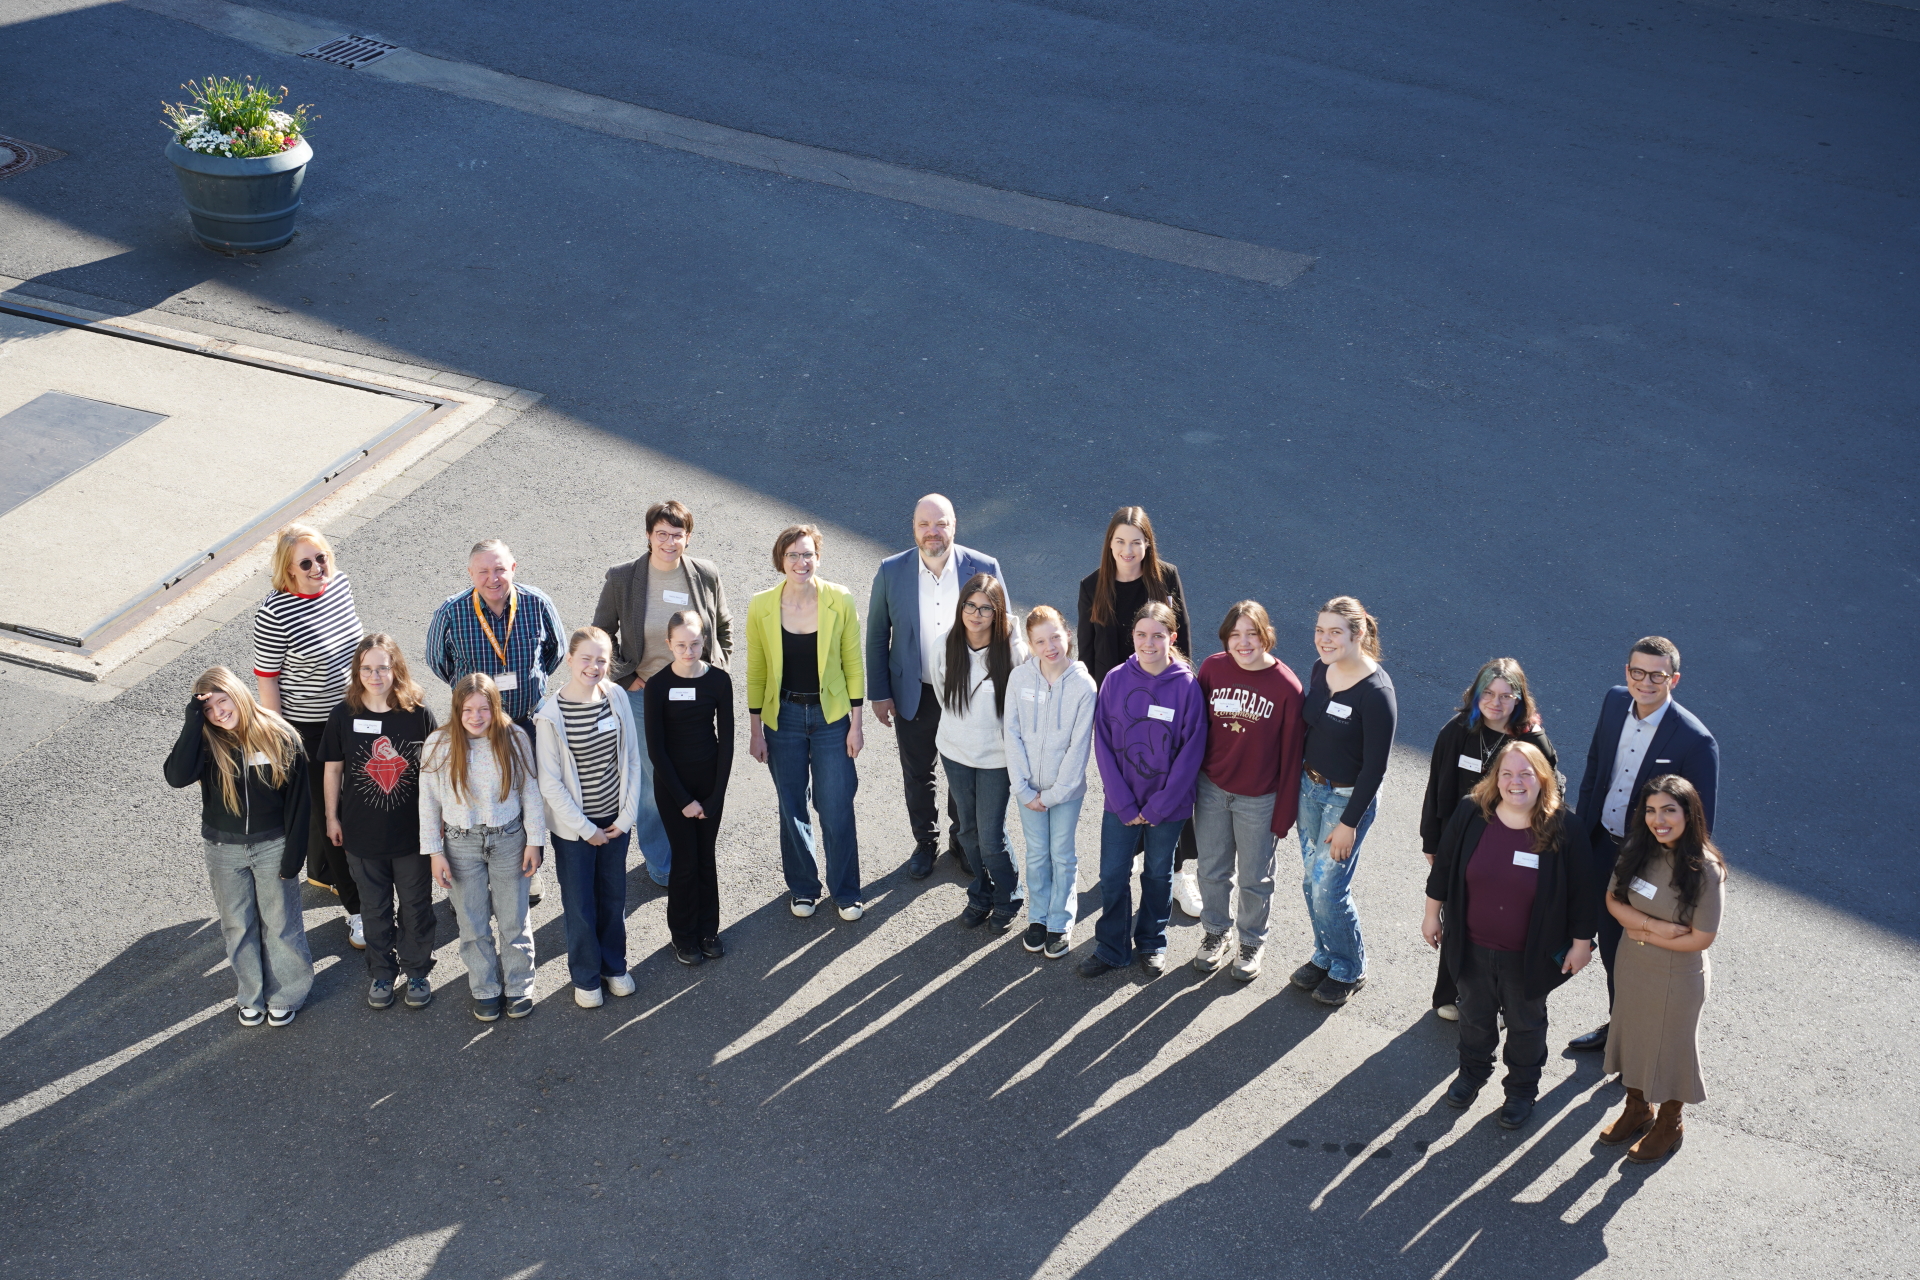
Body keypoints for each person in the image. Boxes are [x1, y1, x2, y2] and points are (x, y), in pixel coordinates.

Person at [1422, 741, 1596, 1130]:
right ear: (1494, 779)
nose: (1515, 782)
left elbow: (1585, 893)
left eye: (1525, 774)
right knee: (1474, 1018)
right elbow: (1444, 869)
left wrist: (1582, 945)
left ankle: (1520, 1091)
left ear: (1542, 779)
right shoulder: (1471, 813)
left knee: (1525, 1026)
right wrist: (1432, 915)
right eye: (1506, 774)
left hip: (1529, 955)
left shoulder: (1565, 826)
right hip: (1471, 945)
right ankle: (1471, 1074)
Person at [1567, 636, 1719, 1052]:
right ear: (1626, 672)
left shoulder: (1695, 741)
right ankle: (1621, 1027)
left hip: (1647, 863)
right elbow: (1596, 765)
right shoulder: (1615, 702)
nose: (1646, 682)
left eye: (1657, 675)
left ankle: (1635, 1042)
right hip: (1600, 844)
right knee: (1605, 939)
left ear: (1675, 679)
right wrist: (1581, 830)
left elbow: (1700, 821)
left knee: (1637, 951)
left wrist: (1671, 875)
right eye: (1638, 672)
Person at [591, 500, 733, 889]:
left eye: (677, 534)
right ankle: (662, 861)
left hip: (695, 691)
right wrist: (627, 676)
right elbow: (601, 634)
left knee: (693, 769)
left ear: (688, 537)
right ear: (649, 535)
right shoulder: (624, 579)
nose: (669, 542)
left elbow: (722, 625)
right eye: (661, 534)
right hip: (645, 694)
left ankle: (690, 846)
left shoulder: (705, 574)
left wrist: (716, 670)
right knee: (654, 781)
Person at [866, 494, 1007, 880]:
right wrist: (879, 693)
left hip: (968, 691)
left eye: (941, 523)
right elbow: (878, 635)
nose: (933, 532)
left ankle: (961, 840)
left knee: (963, 769)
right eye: (925, 524)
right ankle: (925, 842)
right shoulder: (892, 570)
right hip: (916, 690)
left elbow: (1004, 632)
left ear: (954, 526)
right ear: (914, 527)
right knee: (918, 773)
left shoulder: (984, 566)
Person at [165, 666, 313, 1027]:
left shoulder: (280, 735)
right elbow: (176, 777)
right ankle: (251, 994)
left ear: (237, 693)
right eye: (209, 709)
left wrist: (294, 857)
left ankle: (287, 994)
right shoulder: (204, 740)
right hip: (223, 849)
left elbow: (299, 802)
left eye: (222, 701)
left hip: (272, 846)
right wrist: (191, 721)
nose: (219, 713)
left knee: (280, 924)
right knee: (237, 925)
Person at [1075, 506, 1202, 916]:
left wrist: (1187, 695)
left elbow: (1182, 643)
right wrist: (1097, 711)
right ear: (1108, 544)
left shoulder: (1165, 578)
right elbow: (1089, 652)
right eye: (1119, 541)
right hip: (1121, 707)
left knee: (1173, 785)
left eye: (1136, 542)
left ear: (1148, 544)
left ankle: (1182, 872)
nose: (1127, 550)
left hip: (1165, 702)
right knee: (1126, 785)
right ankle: (1129, 854)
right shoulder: (1092, 586)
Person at [425, 539, 566, 903]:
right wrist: (470, 699)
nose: (493, 578)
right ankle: (474, 872)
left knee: (529, 797)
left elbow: (555, 652)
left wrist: (529, 685)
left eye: (500, 569)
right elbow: (437, 660)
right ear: (470, 573)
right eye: (483, 571)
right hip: (474, 727)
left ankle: (528, 868)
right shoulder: (452, 612)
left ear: (513, 568)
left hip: (526, 721)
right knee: (480, 796)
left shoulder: (537, 603)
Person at [1597, 775, 1727, 1163]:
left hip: (1678, 976)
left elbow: (1702, 938)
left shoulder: (1706, 870)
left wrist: (1640, 932)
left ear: (1689, 813)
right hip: (1633, 964)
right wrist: (1653, 929)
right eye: (1651, 810)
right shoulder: (1637, 849)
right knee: (1633, 1036)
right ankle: (1637, 1109)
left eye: (1669, 810)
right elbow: (1612, 901)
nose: (1659, 820)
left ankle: (1670, 1124)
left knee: (1671, 1050)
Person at [1419, 658, 1557, 1021]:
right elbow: (1435, 790)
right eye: (1488, 694)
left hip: (1511, 844)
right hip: (1458, 841)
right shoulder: (1457, 731)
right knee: (1456, 916)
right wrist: (1431, 842)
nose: (1495, 703)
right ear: (1476, 695)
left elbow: (1550, 795)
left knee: (1502, 919)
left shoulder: (1531, 740)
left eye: (1505, 696)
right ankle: (1451, 994)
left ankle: (1497, 997)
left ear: (1519, 699)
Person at [1079, 602, 1206, 979]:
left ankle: (1151, 942)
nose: (1148, 643)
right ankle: (1112, 947)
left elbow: (1192, 751)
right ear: (1132, 636)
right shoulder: (1116, 679)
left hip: (1168, 807)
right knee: (1114, 873)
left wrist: (1158, 807)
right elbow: (1102, 741)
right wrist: (1122, 800)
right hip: (1121, 803)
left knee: (1158, 874)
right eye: (1141, 635)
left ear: (1173, 638)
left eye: (1157, 635)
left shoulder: (1186, 686)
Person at [251, 524, 364, 948]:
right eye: (306, 563)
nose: (319, 568)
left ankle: (322, 871)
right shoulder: (275, 613)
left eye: (322, 558)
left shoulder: (340, 586)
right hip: (310, 730)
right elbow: (268, 681)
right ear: (288, 570)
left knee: (361, 802)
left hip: (354, 716)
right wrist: (284, 742)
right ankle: (357, 911)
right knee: (332, 815)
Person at [747, 525, 868, 921]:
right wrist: (755, 731)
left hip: (831, 717)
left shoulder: (839, 598)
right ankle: (803, 887)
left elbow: (853, 663)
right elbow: (757, 669)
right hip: (783, 718)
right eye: (792, 556)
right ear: (781, 560)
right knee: (791, 805)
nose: (801, 562)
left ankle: (846, 892)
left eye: (807, 554)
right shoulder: (762, 605)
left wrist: (856, 724)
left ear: (818, 557)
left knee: (835, 806)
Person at [319, 635, 439, 1012]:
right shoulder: (343, 715)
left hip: (412, 836)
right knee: (374, 908)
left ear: (396, 669)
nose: (375, 675)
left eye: (383, 667)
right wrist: (331, 816)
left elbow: (436, 772)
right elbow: (333, 769)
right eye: (367, 668)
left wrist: (437, 827)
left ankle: (418, 971)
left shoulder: (417, 713)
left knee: (416, 906)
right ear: (358, 671)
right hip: (362, 835)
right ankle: (382, 973)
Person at [421, 673, 547, 1023]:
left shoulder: (515, 738)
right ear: (456, 710)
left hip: (509, 839)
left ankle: (519, 985)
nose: (476, 717)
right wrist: (434, 851)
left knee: (513, 919)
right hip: (461, 845)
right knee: (472, 922)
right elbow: (428, 802)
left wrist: (535, 841)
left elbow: (531, 793)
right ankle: (485, 987)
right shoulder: (439, 744)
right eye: (467, 710)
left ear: (495, 707)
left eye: (483, 709)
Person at [1191, 602, 1305, 984]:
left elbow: (1292, 756)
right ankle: (1215, 931)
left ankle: (1252, 941)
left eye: (1251, 634)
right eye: (1235, 634)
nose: (1243, 642)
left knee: (1256, 877)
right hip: (1212, 788)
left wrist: (1284, 813)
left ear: (1265, 636)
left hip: (1259, 798)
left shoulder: (1286, 687)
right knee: (1211, 869)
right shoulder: (1211, 668)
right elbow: (1195, 731)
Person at [1293, 596, 1397, 1008]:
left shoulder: (1377, 693)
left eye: (1335, 631)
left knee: (1329, 889)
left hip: (1346, 799)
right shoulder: (1322, 670)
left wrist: (1350, 823)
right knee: (1309, 881)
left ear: (1359, 634)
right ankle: (1326, 954)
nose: (1324, 639)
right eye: (1320, 630)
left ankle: (1351, 966)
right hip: (1310, 789)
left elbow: (1376, 768)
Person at [533, 628, 642, 1009]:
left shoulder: (616, 698)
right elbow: (549, 782)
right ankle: (585, 975)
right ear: (569, 660)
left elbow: (630, 759)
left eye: (601, 659)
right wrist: (586, 830)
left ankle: (614, 967)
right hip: (574, 831)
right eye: (586, 658)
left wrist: (625, 818)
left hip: (615, 823)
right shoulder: (550, 714)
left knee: (614, 898)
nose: (594, 667)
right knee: (580, 904)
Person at [932, 574, 1028, 933]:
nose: (975, 614)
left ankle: (1009, 896)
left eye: (985, 608)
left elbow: (1019, 709)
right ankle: (981, 893)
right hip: (955, 752)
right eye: (969, 605)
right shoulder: (945, 645)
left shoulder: (1015, 653)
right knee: (967, 832)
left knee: (991, 835)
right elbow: (943, 696)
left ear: (997, 612)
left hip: (996, 759)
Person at [1004, 606, 1097, 960]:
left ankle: (1060, 920)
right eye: (1040, 641)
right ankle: (1039, 916)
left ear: (1067, 635)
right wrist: (1024, 789)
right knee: (1037, 854)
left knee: (1061, 854)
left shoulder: (1084, 686)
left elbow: (1079, 745)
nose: (1050, 646)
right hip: (1027, 790)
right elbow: (1010, 733)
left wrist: (1055, 794)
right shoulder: (1019, 679)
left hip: (1065, 793)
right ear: (1030, 644)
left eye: (1055, 636)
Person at [645, 611, 735, 966]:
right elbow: (656, 748)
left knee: (705, 858)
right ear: (669, 644)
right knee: (684, 861)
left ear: (704, 642)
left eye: (695, 643)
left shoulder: (719, 682)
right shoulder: (658, 685)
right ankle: (683, 935)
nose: (688, 650)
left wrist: (715, 797)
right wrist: (684, 800)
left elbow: (726, 743)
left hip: (709, 782)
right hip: (673, 788)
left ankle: (708, 930)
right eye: (680, 644)